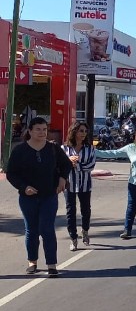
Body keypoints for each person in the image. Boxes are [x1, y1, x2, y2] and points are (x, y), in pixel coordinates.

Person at [5, 117, 72, 277]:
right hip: (27, 198)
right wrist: (24, 187)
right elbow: (11, 174)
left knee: (47, 228)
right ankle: (32, 262)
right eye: (38, 129)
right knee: (32, 230)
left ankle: (51, 264)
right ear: (30, 131)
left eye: (44, 129)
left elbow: (66, 165)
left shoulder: (53, 148)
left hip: (49, 196)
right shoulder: (20, 150)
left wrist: (63, 178)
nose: (42, 133)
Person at [96, 125, 136, 239]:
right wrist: (95, 152)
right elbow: (113, 154)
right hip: (134, 183)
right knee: (132, 207)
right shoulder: (131, 148)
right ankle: (127, 230)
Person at [61, 120, 97, 251]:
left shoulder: (90, 149)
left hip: (85, 184)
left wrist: (77, 165)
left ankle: (85, 231)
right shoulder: (64, 148)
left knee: (85, 210)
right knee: (70, 211)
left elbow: (91, 166)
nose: (83, 134)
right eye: (81, 131)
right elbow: (59, 165)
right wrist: (68, 161)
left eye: (85, 131)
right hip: (69, 184)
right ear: (74, 131)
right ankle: (73, 238)